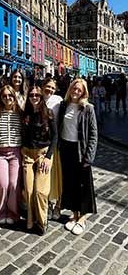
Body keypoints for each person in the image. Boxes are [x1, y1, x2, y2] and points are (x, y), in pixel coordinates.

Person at [56, 79, 97, 235]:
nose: (76, 92)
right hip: (66, 149)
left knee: (83, 186)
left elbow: (93, 134)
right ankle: (74, 214)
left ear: (84, 92)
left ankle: (82, 218)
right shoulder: (63, 105)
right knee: (70, 183)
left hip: (80, 150)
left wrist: (89, 156)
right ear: (70, 89)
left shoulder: (88, 108)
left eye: (79, 90)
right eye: (74, 88)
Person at [20, 84, 58, 234]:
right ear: (28, 97)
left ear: (42, 97)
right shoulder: (25, 114)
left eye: (37, 95)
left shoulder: (48, 113)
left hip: (43, 154)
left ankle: (42, 222)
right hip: (27, 153)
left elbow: (55, 136)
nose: (34, 97)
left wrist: (49, 157)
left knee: (40, 191)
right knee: (29, 190)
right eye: (32, 95)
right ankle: (31, 221)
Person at [0, 85, 24, 225]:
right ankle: (0, 212)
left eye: (10, 96)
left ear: (14, 97)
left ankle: (13, 213)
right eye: (4, 96)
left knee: (13, 184)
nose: (7, 98)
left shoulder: (20, 113)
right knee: (2, 184)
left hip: (15, 152)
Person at [42, 77, 64, 221]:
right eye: (47, 86)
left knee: (57, 176)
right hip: (41, 142)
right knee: (45, 175)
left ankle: (58, 205)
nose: (49, 90)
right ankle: (48, 204)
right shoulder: (37, 96)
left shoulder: (58, 100)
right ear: (42, 86)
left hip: (56, 142)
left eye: (52, 87)